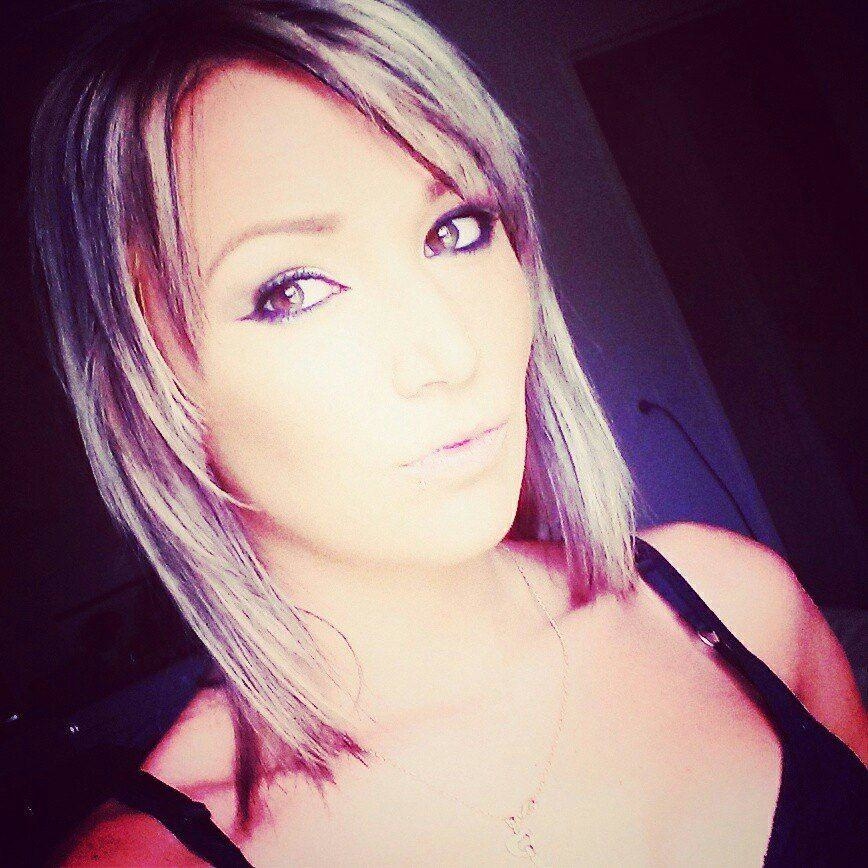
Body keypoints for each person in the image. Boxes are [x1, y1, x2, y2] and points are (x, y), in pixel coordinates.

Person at [25, 1, 866, 864]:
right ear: (141, 384)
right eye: (293, 290)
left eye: (454, 230)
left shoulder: (742, 605)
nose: (452, 354)